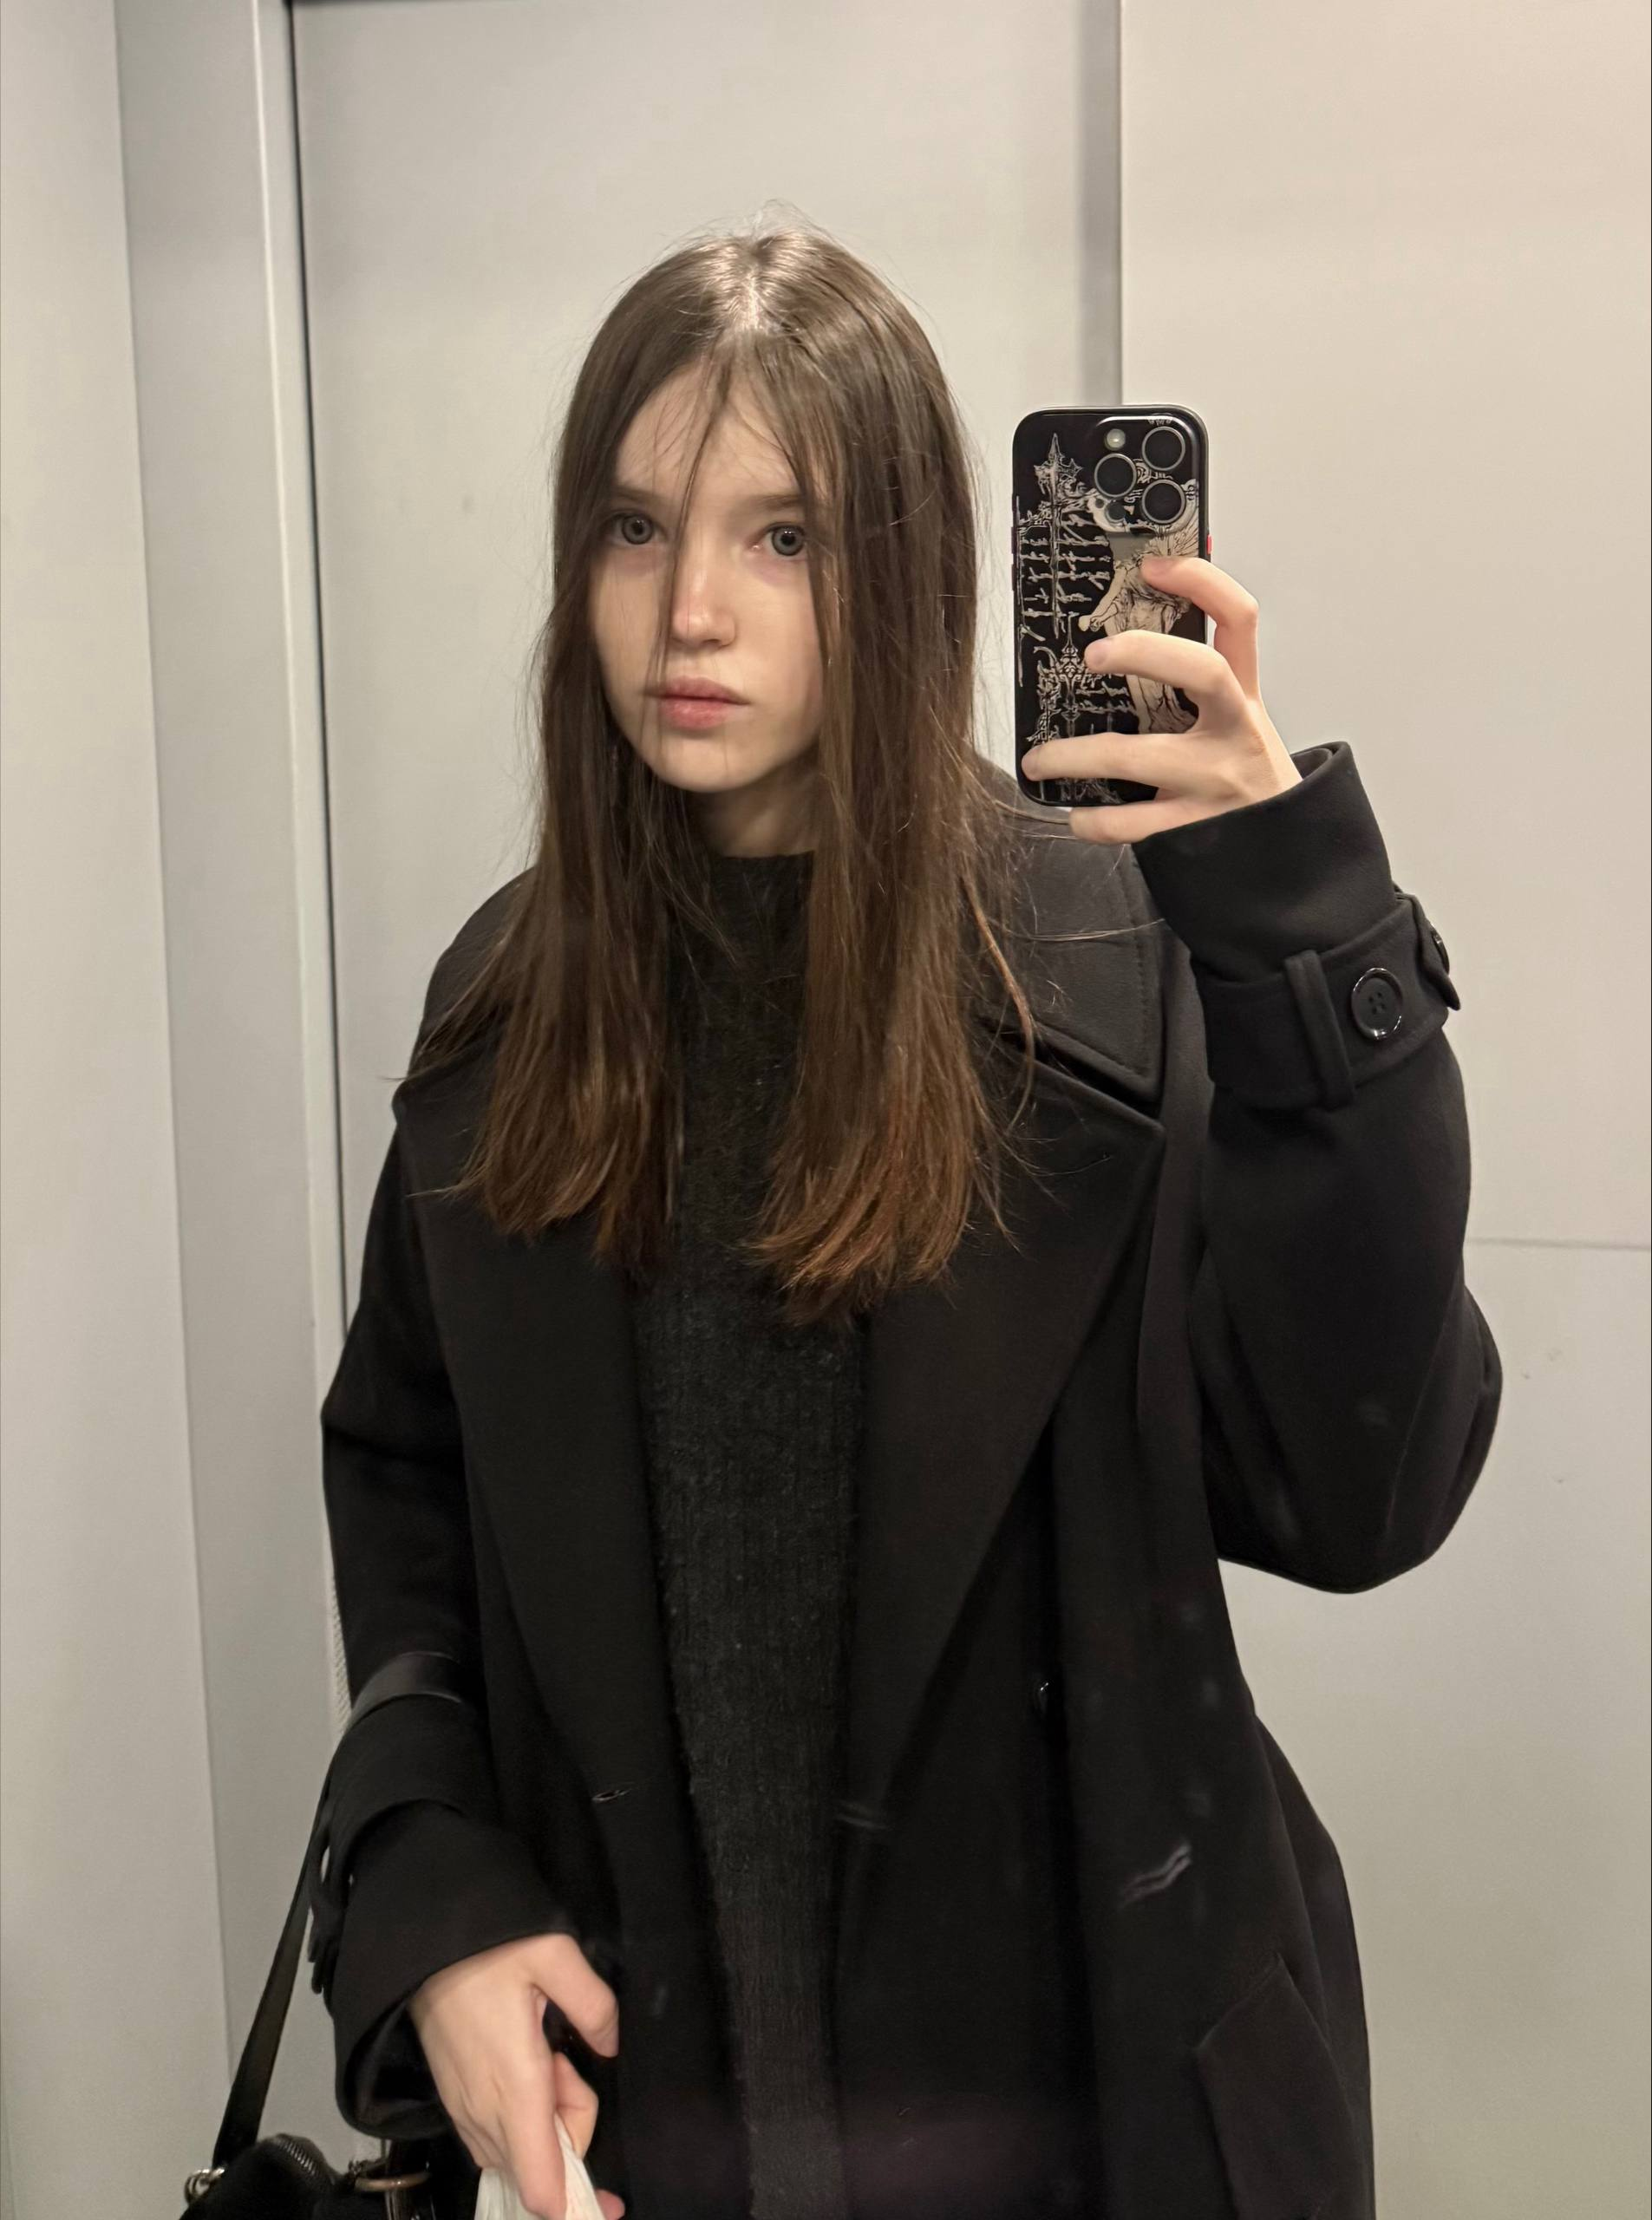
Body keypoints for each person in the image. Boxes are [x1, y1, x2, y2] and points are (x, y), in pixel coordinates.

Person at [307, 225, 1501, 2220]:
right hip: (651, 2121)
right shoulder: (511, 1008)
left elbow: (1356, 1486)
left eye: (781, 537)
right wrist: (430, 1884)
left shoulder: (1106, 967)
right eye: (633, 526)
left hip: (1092, 2105)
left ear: (911, 566)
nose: (690, 607)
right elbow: (404, 1476)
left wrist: (1299, 924)